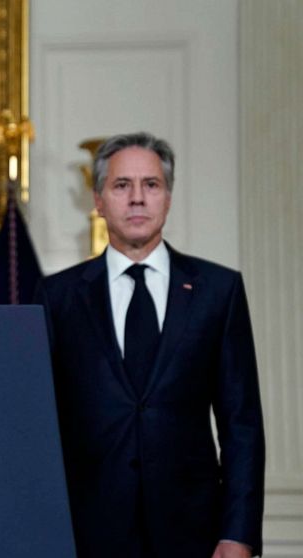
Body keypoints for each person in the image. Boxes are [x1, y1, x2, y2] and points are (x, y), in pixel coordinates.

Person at [35, 132, 265, 558]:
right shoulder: (58, 297)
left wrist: (239, 534)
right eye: (122, 186)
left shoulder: (219, 290)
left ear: (168, 197)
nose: (137, 198)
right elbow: (37, 425)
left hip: (194, 535)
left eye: (151, 185)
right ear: (99, 200)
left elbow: (242, 426)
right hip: (86, 536)